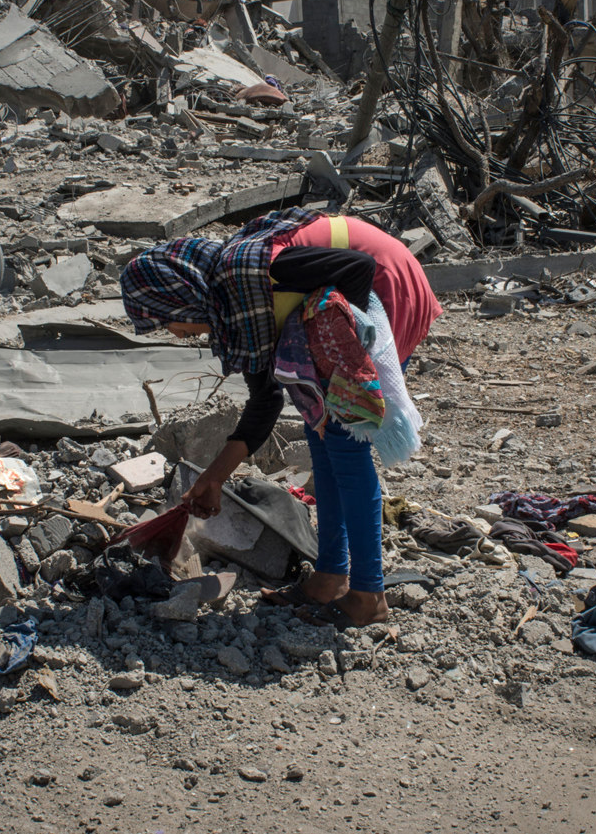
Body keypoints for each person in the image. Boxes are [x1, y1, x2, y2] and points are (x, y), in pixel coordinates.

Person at [120, 208, 441, 628]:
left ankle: (367, 595)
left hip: (389, 284)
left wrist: (348, 340)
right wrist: (213, 478)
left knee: (344, 444)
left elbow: (357, 266)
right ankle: (330, 576)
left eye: (165, 321)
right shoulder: (235, 310)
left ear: (182, 293)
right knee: (319, 434)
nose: (175, 334)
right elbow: (265, 399)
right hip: (356, 295)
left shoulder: (250, 273)